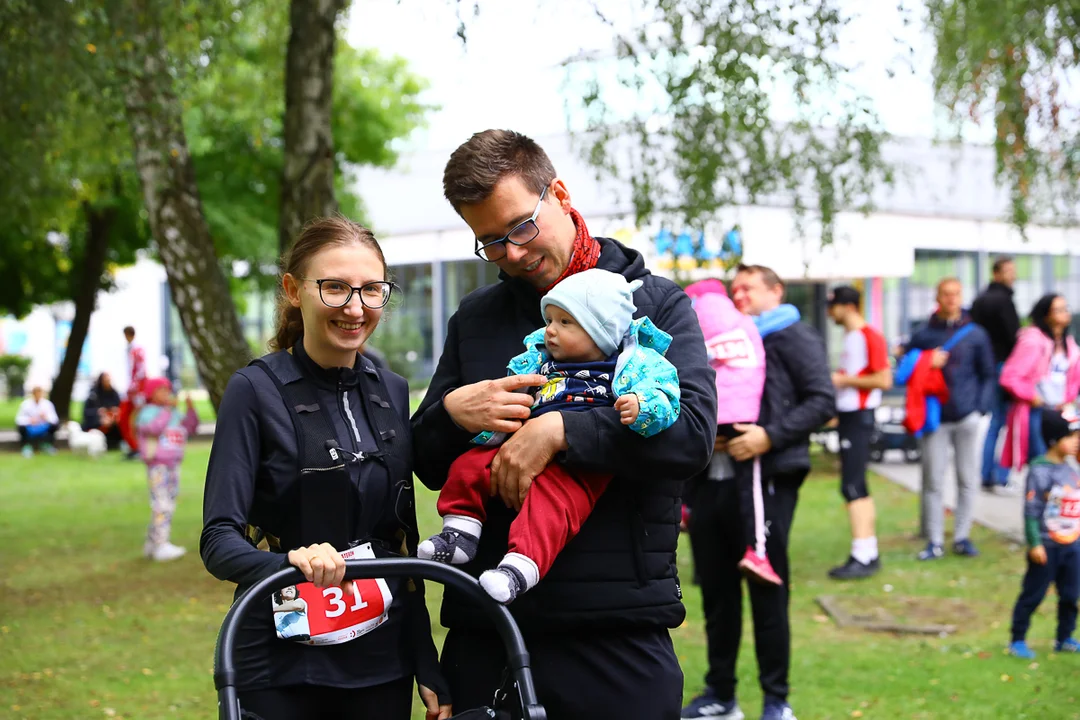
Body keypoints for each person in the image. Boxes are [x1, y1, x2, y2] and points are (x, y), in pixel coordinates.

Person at [412, 130, 716, 720]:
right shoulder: (477, 318)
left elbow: (693, 438)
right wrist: (451, 416)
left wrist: (561, 432)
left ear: (560, 194)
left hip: (616, 634)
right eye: (491, 243)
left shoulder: (654, 307)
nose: (514, 254)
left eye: (521, 227)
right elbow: (426, 462)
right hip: (488, 632)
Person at [200, 217, 451, 720]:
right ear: (294, 290)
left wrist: (425, 659)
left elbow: (398, 538)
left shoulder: (393, 390)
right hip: (279, 663)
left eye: (371, 290)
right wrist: (293, 564)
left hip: (381, 664)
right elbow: (219, 540)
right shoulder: (253, 391)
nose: (355, 308)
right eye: (334, 288)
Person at [419, 268, 681, 603]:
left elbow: (666, 396)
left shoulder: (633, 366)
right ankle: (459, 533)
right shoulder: (540, 362)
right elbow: (515, 400)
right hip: (518, 441)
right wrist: (486, 425)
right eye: (550, 320)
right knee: (469, 467)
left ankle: (519, 568)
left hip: (580, 464)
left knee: (551, 506)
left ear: (601, 331)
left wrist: (642, 406)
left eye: (565, 322)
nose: (550, 331)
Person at [682, 264, 834, 720]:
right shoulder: (715, 335)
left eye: (749, 286)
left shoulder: (790, 335)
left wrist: (768, 436)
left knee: (767, 591)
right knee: (716, 593)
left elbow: (821, 399)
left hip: (767, 481)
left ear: (776, 290)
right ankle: (720, 695)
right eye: (734, 289)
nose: (739, 294)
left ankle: (776, 700)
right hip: (712, 479)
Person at [683, 278, 779, 586]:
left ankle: (684, 508)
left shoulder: (690, 315)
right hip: (741, 415)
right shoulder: (742, 322)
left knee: (694, 456)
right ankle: (757, 551)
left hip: (708, 410)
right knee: (749, 484)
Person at [904, 278, 996, 560]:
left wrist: (980, 408)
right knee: (933, 480)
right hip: (935, 418)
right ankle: (934, 541)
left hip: (966, 415)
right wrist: (925, 361)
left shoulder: (975, 334)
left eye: (956, 294)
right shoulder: (923, 335)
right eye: (946, 294)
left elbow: (988, 373)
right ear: (937, 297)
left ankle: (961, 536)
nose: (951, 299)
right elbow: (906, 372)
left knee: (967, 478)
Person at [825, 286, 893, 579]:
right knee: (854, 485)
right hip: (850, 417)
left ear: (847, 306)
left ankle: (863, 553)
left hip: (860, 418)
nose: (829, 313)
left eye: (833, 307)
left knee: (853, 485)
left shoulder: (868, 335)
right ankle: (866, 550)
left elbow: (884, 378)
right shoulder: (854, 337)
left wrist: (841, 380)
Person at [1007, 409, 1080, 659]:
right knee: (1033, 593)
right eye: (1070, 437)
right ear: (1054, 439)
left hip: (1072, 546)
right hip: (1046, 546)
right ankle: (1017, 639)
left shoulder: (1072, 470)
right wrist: (1034, 542)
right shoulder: (1039, 471)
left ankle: (1065, 637)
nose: (1075, 442)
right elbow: (1031, 510)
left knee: (1071, 595)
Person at [1000, 294, 1080, 473]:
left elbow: (1073, 378)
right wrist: (1032, 397)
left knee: (1061, 464)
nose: (1064, 313)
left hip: (1061, 411)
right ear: (1046, 315)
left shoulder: (1068, 344)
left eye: (1065, 308)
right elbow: (1010, 376)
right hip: (1038, 412)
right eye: (1058, 310)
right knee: (1042, 465)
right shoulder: (1032, 341)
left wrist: (1069, 399)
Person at [970, 256, 1020, 490]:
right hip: (1004, 367)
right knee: (1004, 421)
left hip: (985, 367)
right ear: (997, 273)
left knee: (994, 422)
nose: (1013, 275)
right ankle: (1000, 475)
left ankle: (987, 473)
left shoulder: (980, 301)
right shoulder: (1003, 301)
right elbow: (1014, 337)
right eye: (1009, 271)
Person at [137, 377, 198, 562]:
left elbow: (190, 427)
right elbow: (154, 429)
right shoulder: (148, 413)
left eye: (167, 390)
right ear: (151, 393)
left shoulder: (172, 412)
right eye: (161, 390)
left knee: (168, 503)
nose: (166, 394)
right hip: (158, 465)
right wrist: (166, 410)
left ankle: (152, 543)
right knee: (161, 504)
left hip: (173, 465)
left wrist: (190, 409)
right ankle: (160, 545)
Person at [118, 325, 148, 459]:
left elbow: (140, 372)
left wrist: (135, 389)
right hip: (132, 391)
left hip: (136, 392)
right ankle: (134, 445)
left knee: (133, 419)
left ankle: (137, 446)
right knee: (126, 419)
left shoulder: (137, 351)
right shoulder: (130, 350)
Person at [82, 371, 123, 450]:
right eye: (105, 380)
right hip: (97, 421)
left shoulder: (114, 393)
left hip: (112, 421)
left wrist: (114, 412)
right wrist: (99, 412)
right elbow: (86, 411)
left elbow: (119, 407)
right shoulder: (93, 394)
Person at [15, 385, 59, 458]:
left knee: (55, 426)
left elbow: (54, 419)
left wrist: (45, 418)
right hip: (30, 426)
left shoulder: (47, 404)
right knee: (21, 427)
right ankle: (26, 447)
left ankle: (47, 445)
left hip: (43, 426)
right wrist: (29, 420)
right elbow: (18, 419)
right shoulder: (25, 404)